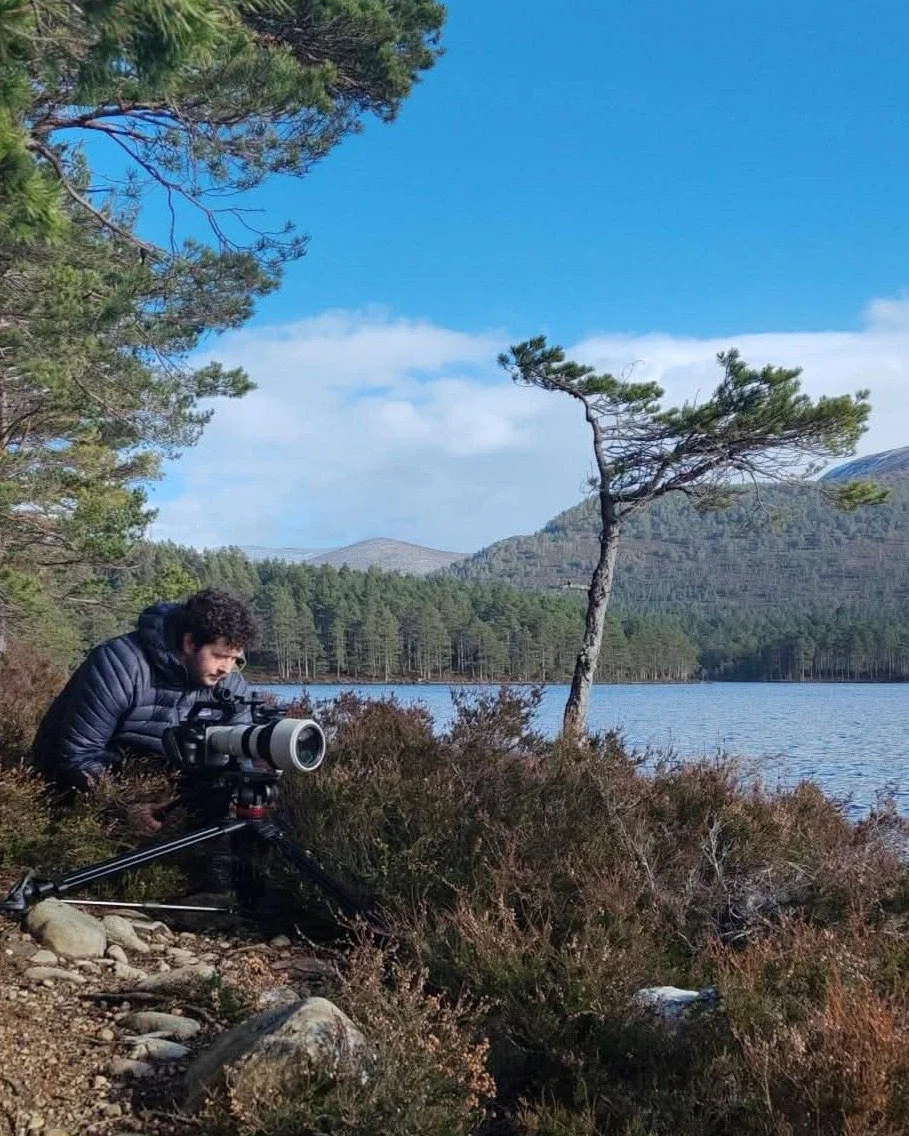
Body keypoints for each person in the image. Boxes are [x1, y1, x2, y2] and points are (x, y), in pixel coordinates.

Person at [32, 588, 259, 839]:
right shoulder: (118, 665)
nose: (227, 669)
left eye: (235, 659)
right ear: (189, 643)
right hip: (88, 802)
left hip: (174, 803)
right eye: (219, 656)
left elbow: (241, 746)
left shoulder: (229, 682)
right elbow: (75, 757)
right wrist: (122, 808)